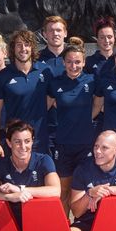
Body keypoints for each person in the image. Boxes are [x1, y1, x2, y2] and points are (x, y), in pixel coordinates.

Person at [0, 120, 60, 231]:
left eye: (27, 141)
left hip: (39, 222)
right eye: (17, 142)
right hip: (9, 224)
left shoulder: (44, 160)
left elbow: (55, 190)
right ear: (9, 143)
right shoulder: (1, 163)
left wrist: (20, 189)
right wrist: (9, 197)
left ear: (32, 142)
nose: (23, 146)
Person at [46, 37, 96, 215]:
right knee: (63, 190)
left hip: (86, 144)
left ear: (83, 62)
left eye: (77, 62)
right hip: (63, 144)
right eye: (69, 62)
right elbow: (47, 105)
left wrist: (85, 118)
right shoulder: (56, 84)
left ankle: (84, 228)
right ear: (63, 62)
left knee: (86, 189)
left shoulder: (91, 81)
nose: (73, 66)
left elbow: (99, 104)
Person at [0, 30, 51, 156]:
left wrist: (40, 110)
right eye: (19, 45)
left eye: (27, 44)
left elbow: (52, 98)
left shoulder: (45, 71)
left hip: (41, 140)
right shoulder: (3, 76)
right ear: (13, 48)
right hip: (15, 142)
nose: (23, 48)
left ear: (32, 47)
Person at [38, 15, 69, 156]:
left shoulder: (76, 58)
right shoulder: (35, 59)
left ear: (65, 33)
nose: (55, 34)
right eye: (50, 30)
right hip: (45, 127)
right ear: (44, 34)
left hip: (71, 125)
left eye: (58, 30)